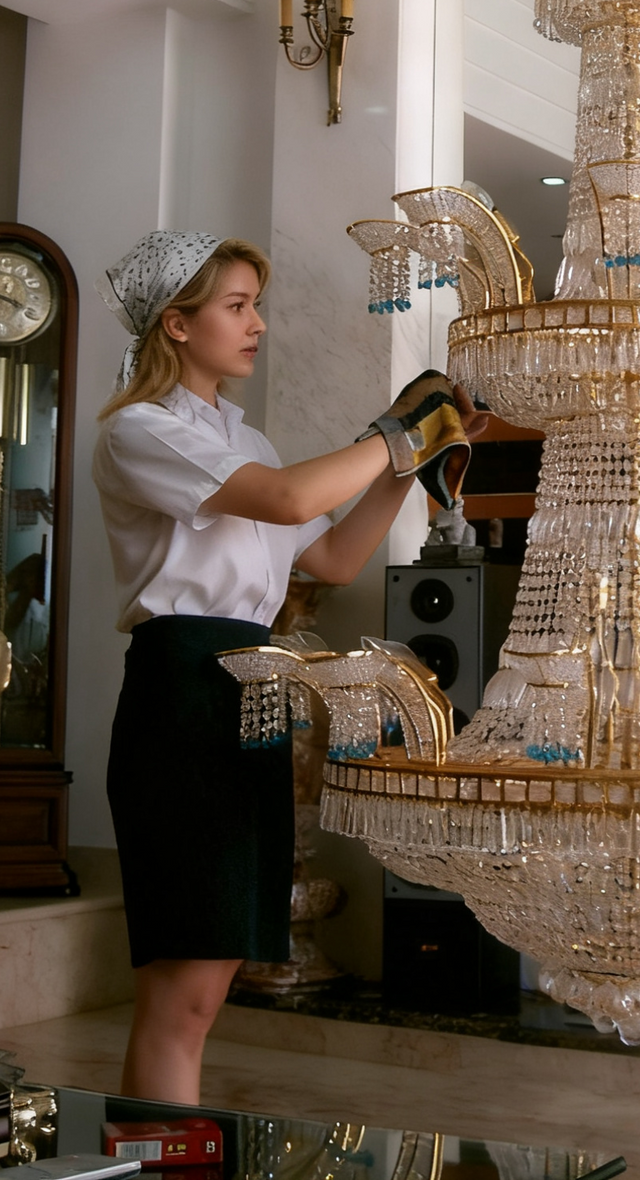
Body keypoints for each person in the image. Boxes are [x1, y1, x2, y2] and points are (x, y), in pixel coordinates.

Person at [93, 230, 484, 1104]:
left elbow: (336, 555)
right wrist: (394, 431)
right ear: (177, 324)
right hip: (184, 690)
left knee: (206, 987)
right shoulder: (140, 432)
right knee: (181, 993)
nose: (257, 322)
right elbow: (290, 499)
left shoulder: (243, 436)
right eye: (236, 305)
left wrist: (409, 460)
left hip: (251, 689)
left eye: (253, 304)